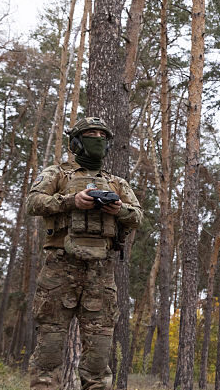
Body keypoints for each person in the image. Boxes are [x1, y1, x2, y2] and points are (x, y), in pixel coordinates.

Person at [26, 116, 143, 390]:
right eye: (91, 135)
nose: (98, 140)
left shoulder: (116, 182)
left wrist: (119, 210)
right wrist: (70, 201)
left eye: (103, 137)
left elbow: (137, 216)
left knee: (98, 360)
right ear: (77, 142)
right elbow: (33, 202)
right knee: (48, 352)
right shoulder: (57, 174)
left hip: (100, 275)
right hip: (59, 271)